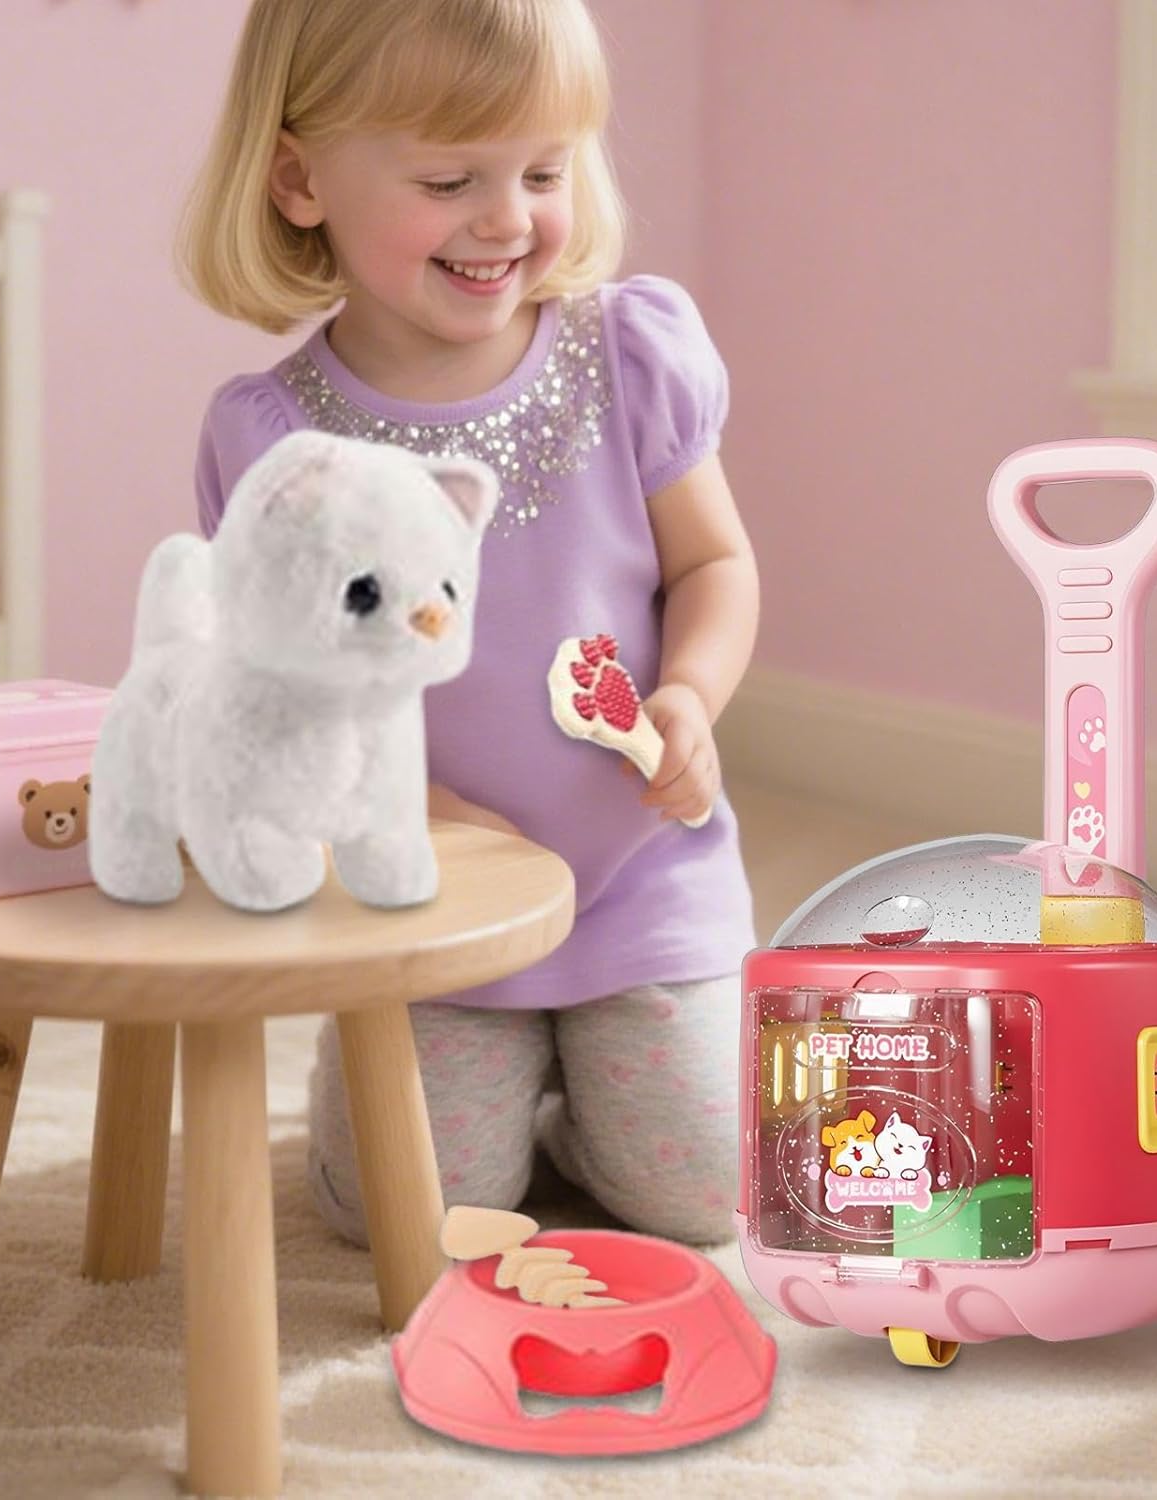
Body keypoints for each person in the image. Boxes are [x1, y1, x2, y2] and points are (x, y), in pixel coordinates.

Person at [182, 0, 758, 1246]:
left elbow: (714, 561)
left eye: (543, 172)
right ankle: (496, 1095)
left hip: (642, 882)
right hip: (431, 896)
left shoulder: (627, 354)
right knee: (404, 1214)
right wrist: (405, 815)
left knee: (710, 1191)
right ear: (300, 180)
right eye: (451, 181)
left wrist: (691, 694)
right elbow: (271, 700)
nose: (507, 220)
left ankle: (582, 1109)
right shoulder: (281, 446)